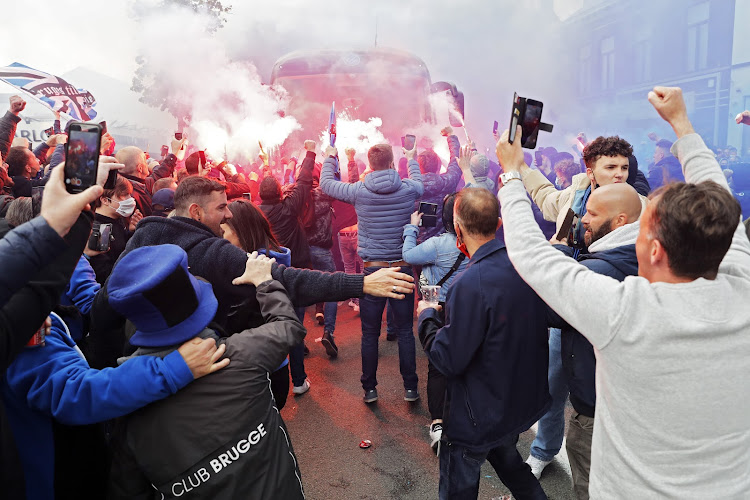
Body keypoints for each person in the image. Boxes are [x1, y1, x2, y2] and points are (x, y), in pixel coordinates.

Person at [496, 86, 750, 498]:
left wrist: (508, 173)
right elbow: (718, 200)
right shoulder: (742, 278)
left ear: (653, 249)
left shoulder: (625, 313)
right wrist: (683, 125)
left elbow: (532, 257)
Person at [88, 175, 413, 370]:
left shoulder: (143, 234)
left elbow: (103, 309)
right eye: (221, 208)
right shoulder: (211, 251)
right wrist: (363, 282)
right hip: (193, 373)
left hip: (137, 372)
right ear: (196, 212)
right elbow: (288, 281)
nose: (229, 213)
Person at [108, 246, 306, 499]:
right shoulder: (240, 353)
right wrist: (264, 282)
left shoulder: (126, 403)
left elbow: (130, 489)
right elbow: (288, 327)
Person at [2, 310, 228, 500]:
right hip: (51, 473)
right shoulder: (18, 326)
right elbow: (76, 392)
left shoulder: (21, 313)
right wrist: (172, 369)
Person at [417, 187, 549, 500]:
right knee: (513, 468)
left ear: (458, 229)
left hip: (477, 417)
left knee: (459, 490)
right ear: (499, 223)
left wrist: (426, 318)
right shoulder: (522, 265)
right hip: (511, 405)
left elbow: (448, 358)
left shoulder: (470, 284)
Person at [550, 182, 642, 499]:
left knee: (589, 487)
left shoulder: (598, 269)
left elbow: (550, 308)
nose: (584, 219)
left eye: (592, 212)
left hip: (593, 408)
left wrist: (561, 245)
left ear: (619, 221)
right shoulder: (647, 254)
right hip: (627, 403)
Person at [321, 142, 423, 403]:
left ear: (371, 165)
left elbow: (327, 185)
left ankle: (369, 389)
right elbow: (420, 184)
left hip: (372, 272)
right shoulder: (407, 188)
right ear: (391, 163)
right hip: (401, 268)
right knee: (404, 333)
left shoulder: (360, 191)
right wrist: (411, 159)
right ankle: (410, 389)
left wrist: (331, 158)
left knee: (369, 333)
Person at [403, 192, 467, 454]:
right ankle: (465, 415)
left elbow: (408, 255)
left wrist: (412, 227)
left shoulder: (439, 244)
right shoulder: (475, 242)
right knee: (465, 358)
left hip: (436, 306)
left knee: (437, 365)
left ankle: (438, 424)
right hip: (464, 306)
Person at [221, 198, 294, 409]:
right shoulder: (273, 260)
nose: (220, 237)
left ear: (240, 231)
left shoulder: (255, 270)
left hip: (259, 369)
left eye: (223, 231)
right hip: (277, 363)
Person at [260, 141, 316, 394]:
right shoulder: (288, 207)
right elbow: (304, 183)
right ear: (280, 193)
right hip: (295, 273)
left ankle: (273, 382)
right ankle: (299, 380)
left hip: (268, 274)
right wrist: (310, 153)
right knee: (294, 324)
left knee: (275, 325)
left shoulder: (255, 213)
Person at [89, 175, 142, 284]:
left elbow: (119, 245)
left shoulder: (117, 217)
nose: (130, 199)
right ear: (105, 200)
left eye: (129, 194)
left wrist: (131, 232)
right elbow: (103, 272)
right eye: (124, 195)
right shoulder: (100, 230)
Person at [416, 127, 462, 241]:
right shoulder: (447, 182)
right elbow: (456, 161)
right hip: (445, 240)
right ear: (438, 166)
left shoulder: (409, 188)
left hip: (418, 243)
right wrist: (451, 136)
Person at [115, 146, 154, 215]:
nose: (147, 164)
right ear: (140, 168)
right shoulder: (131, 195)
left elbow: (155, 177)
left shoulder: (118, 186)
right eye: (145, 161)